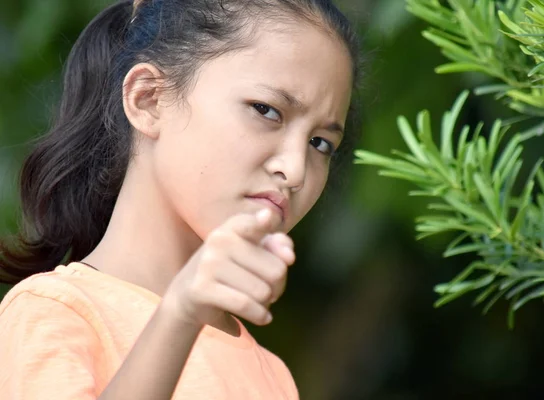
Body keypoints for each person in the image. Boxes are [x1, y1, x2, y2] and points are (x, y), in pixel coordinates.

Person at [0, 0, 361, 398]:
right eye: (267, 110)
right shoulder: (53, 313)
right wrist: (179, 314)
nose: (295, 170)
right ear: (148, 98)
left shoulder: (273, 376)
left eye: (320, 143)